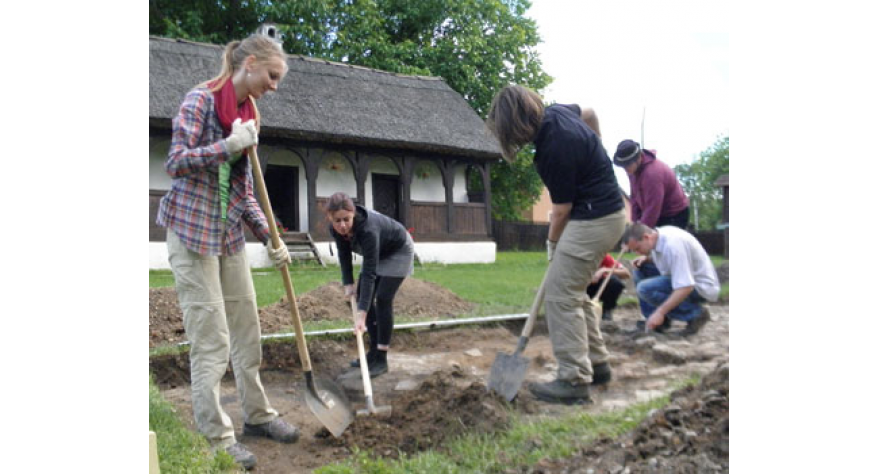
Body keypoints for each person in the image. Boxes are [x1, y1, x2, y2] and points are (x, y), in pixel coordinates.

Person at [156, 35, 298, 470]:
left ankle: (257, 416)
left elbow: (245, 190)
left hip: (228, 236)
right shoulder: (199, 101)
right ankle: (216, 436)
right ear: (250, 64)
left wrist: (271, 237)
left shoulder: (249, 113)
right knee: (211, 339)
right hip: (191, 234)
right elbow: (176, 162)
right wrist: (228, 146)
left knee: (246, 327)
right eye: (272, 76)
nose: (274, 86)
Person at [486, 85, 626, 404]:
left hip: (594, 219)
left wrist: (551, 245)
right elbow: (590, 113)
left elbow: (560, 211)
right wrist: (596, 144)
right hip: (608, 214)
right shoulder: (559, 113)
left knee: (560, 295)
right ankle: (598, 364)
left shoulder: (552, 149)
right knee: (573, 293)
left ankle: (574, 379)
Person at [326, 192, 415, 378]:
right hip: (379, 251)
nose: (342, 225)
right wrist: (348, 284)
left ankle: (381, 358)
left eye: (346, 219)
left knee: (383, 299)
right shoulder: (336, 229)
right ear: (330, 218)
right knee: (361, 295)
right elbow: (344, 255)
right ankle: (373, 352)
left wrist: (361, 314)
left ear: (353, 214)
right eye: (337, 220)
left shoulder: (368, 229)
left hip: (398, 250)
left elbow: (369, 274)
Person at [622, 222, 718, 336]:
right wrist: (648, 259)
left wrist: (660, 312)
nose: (636, 253)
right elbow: (668, 261)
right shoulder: (658, 236)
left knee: (644, 289)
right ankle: (655, 322)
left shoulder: (673, 245)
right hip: (683, 278)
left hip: (701, 287)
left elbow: (686, 286)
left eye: (638, 248)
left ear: (646, 237)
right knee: (641, 269)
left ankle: (696, 314)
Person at [612, 139, 690, 229]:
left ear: (638, 158)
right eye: (623, 165)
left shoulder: (652, 174)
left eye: (628, 164)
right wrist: (634, 225)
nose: (625, 169)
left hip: (674, 215)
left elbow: (652, 209)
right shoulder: (632, 171)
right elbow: (634, 199)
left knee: (656, 241)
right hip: (657, 213)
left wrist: (639, 233)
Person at [587, 253, 631, 321]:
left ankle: (607, 310)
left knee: (615, 283)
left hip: (597, 287)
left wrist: (604, 270)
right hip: (578, 288)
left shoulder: (602, 255)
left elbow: (626, 273)